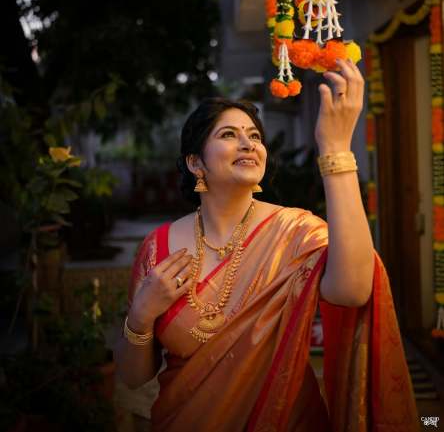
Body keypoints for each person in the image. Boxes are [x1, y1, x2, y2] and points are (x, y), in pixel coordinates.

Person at [115, 59, 419, 431]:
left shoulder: (294, 231)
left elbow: (354, 290)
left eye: (254, 136)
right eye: (228, 135)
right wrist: (142, 315)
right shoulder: (156, 249)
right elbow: (132, 378)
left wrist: (336, 148)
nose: (248, 143)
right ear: (196, 163)